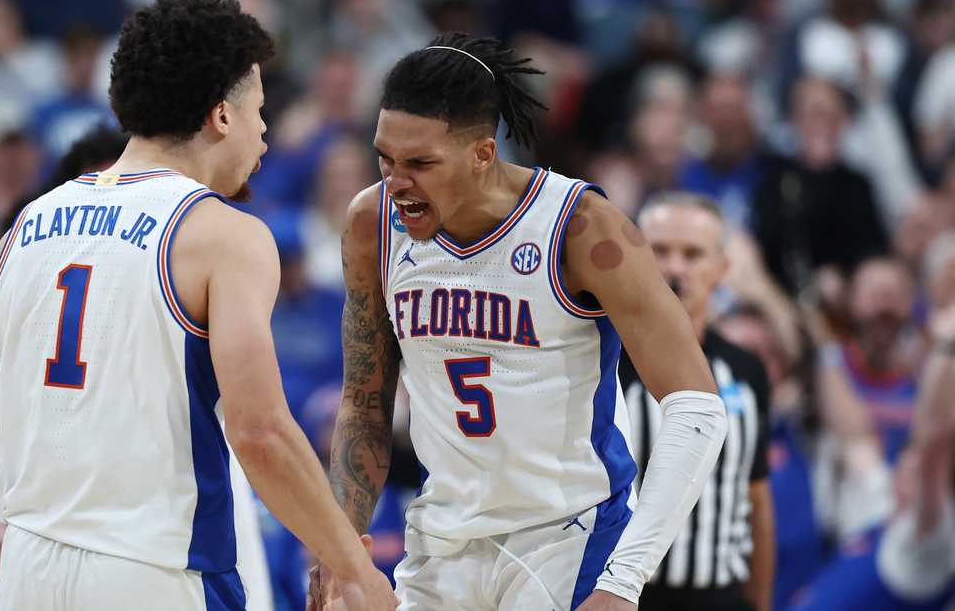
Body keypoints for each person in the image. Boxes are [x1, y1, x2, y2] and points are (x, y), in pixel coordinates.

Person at [0, 0, 396, 611]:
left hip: (28, 568)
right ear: (220, 115)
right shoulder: (225, 233)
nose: (264, 130)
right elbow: (260, 431)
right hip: (153, 573)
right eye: (259, 110)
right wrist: (354, 569)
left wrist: (60, 522)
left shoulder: (24, 224)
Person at [312, 33, 728, 611]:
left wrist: (624, 582)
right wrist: (340, 551)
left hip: (566, 539)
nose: (396, 182)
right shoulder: (371, 224)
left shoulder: (582, 226)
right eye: (385, 157)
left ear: (483, 153)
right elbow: (364, 401)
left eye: (419, 164)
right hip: (442, 541)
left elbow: (698, 409)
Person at [620, 193, 774, 611]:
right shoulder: (606, 363)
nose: (674, 268)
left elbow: (756, 494)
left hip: (719, 596)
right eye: (661, 251)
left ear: (722, 269)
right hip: (627, 596)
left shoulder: (746, 371)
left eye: (692, 254)